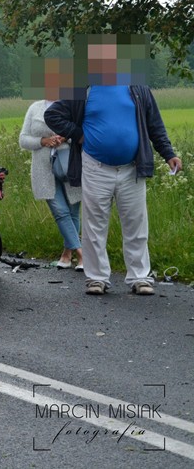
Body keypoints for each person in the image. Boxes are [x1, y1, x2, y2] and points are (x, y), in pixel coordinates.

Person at [44, 35, 182, 296]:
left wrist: (169, 154)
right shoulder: (82, 88)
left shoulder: (138, 88)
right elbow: (52, 114)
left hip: (132, 167)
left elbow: (155, 125)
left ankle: (140, 278)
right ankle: (96, 279)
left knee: (136, 224)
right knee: (95, 225)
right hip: (96, 166)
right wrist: (78, 134)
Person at [19, 100, 82, 270]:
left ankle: (67, 255)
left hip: (71, 165)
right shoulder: (35, 108)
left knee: (73, 213)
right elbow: (23, 140)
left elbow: (83, 132)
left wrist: (66, 136)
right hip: (43, 169)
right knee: (60, 212)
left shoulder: (73, 104)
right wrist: (44, 141)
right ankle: (82, 253)